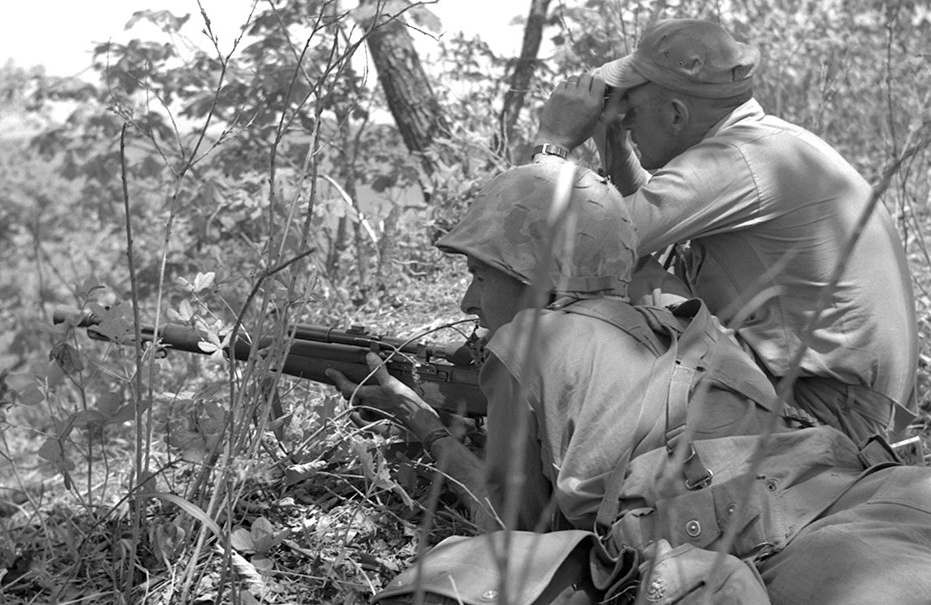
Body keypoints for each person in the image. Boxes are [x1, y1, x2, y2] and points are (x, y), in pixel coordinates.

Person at [327, 162, 931, 604]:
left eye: (481, 275)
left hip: (778, 550)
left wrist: (427, 428)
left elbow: (516, 524)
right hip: (878, 488)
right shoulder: (692, 321)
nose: (467, 299)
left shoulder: (529, 339)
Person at [532, 18, 918, 445]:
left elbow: (592, 242)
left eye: (633, 110)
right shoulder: (764, 145)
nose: (625, 120)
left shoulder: (735, 161)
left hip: (836, 424)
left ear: (677, 114)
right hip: (861, 411)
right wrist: (614, 142)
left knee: (636, 287)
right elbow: (649, 218)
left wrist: (553, 143)